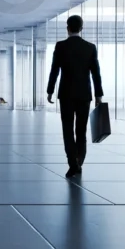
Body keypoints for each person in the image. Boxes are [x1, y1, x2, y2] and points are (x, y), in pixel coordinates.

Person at [46, 15, 104, 178]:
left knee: (67, 130)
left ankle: (73, 163)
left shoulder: (60, 46)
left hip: (66, 95)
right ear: (81, 28)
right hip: (84, 95)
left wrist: (50, 90)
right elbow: (96, 73)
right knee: (81, 130)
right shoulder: (90, 47)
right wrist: (98, 94)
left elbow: (54, 70)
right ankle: (79, 161)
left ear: (68, 28)